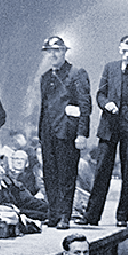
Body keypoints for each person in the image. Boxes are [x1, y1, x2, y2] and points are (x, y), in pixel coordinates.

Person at [83, 37, 128, 228]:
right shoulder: (110, 68)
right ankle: (92, 215)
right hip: (110, 123)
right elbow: (100, 94)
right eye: (123, 51)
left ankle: (122, 216)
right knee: (102, 170)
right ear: (119, 49)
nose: (126, 55)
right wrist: (106, 104)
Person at [37, 36, 91, 230]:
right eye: (49, 51)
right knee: (49, 174)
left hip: (67, 133)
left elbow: (85, 106)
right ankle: (53, 214)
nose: (53, 54)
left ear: (65, 52)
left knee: (66, 176)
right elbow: (44, 107)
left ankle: (64, 216)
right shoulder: (45, 77)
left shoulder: (76, 74)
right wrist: (41, 134)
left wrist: (82, 134)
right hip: (48, 133)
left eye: (57, 50)